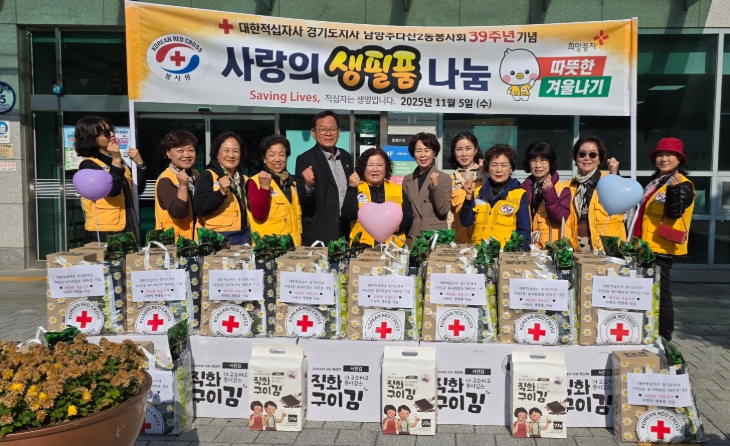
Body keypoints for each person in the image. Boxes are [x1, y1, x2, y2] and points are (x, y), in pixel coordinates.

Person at [626, 138, 695, 341]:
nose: (664, 158)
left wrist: (673, 190)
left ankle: (665, 337)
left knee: (661, 294)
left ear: (679, 159)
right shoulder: (656, 183)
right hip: (643, 246)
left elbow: (674, 213)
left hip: (660, 249)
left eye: (669, 155)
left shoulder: (683, 184)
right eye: (660, 155)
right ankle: (645, 330)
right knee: (643, 292)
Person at [74, 116, 147, 243]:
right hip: (104, 231)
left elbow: (138, 190)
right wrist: (116, 160)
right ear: (91, 139)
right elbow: (112, 191)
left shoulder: (118, 161)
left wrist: (140, 165)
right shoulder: (89, 165)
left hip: (127, 225)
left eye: (112, 129)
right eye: (106, 133)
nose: (112, 134)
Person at [294, 110, 354, 245]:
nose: (328, 133)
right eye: (322, 130)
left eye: (332, 129)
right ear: (313, 133)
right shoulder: (305, 159)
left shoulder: (346, 157)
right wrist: (308, 185)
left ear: (338, 132)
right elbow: (303, 199)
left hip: (345, 229)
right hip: (320, 230)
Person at [460, 144, 530, 250]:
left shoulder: (519, 194)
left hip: (504, 254)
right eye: (494, 165)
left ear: (511, 168)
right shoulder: (478, 192)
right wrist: (468, 197)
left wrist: (518, 256)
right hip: (478, 253)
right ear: (488, 168)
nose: (498, 170)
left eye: (504, 165)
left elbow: (524, 231)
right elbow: (466, 222)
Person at [341, 148, 413, 247]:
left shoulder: (397, 189)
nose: (375, 169)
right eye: (370, 165)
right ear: (363, 168)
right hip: (362, 247)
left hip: (393, 247)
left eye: (379, 165)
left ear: (386, 168)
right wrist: (351, 188)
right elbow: (349, 215)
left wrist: (397, 227)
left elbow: (408, 216)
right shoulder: (356, 189)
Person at [566, 136, 624, 252]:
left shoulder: (609, 180)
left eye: (593, 155)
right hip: (578, 246)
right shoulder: (568, 186)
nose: (587, 158)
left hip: (605, 247)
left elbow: (620, 198)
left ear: (600, 159)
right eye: (582, 154)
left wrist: (614, 174)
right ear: (576, 158)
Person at [193, 131, 251, 245]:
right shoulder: (208, 176)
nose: (231, 155)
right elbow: (199, 208)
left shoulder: (244, 179)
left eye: (235, 151)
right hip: (215, 238)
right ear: (217, 153)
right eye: (226, 150)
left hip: (242, 236)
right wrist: (220, 192)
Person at [246, 135, 302, 245]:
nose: (277, 159)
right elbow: (259, 215)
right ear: (264, 159)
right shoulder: (255, 182)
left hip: (294, 247)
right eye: (271, 155)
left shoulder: (292, 183)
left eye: (281, 154)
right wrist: (264, 188)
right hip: (269, 249)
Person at [520, 141, 572, 248]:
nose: (538, 165)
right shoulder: (523, 188)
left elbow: (560, 218)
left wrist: (550, 193)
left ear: (551, 163)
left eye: (543, 160)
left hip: (551, 248)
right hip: (530, 247)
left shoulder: (563, 189)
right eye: (533, 160)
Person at [401, 133, 451, 243]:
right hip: (412, 235)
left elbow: (443, 210)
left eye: (427, 150)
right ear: (413, 154)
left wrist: (436, 186)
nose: (422, 155)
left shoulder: (444, 177)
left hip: (435, 236)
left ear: (434, 153)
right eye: (418, 151)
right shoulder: (407, 179)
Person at [154, 129, 198, 241]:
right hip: (175, 244)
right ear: (168, 153)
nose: (187, 155)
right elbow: (179, 213)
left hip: (194, 240)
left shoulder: (196, 175)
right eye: (180, 150)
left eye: (191, 150)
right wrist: (183, 186)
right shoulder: (166, 179)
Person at [448, 132, 487, 244]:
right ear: (454, 152)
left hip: (481, 242)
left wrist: (485, 173)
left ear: (475, 150)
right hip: (458, 242)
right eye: (459, 149)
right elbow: (449, 216)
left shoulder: (486, 176)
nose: (464, 154)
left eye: (468, 148)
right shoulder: (450, 180)